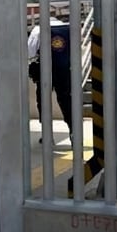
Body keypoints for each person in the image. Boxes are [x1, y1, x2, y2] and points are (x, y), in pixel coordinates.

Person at [27, 10, 75, 140]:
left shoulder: (39, 29)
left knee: (43, 101)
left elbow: (30, 51)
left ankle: (47, 135)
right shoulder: (69, 28)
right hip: (65, 70)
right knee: (66, 100)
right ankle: (73, 130)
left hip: (45, 71)